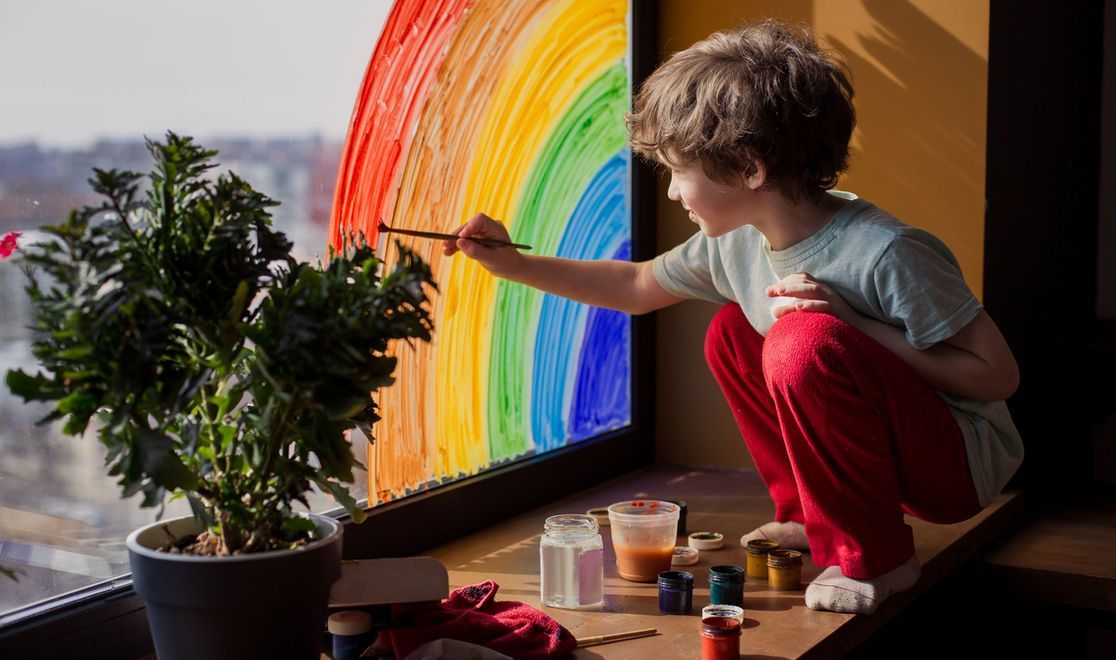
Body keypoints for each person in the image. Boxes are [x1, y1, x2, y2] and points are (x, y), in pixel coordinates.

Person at [442, 19, 1023, 615]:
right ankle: (808, 516)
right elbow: (639, 284)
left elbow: (996, 376)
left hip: (955, 466)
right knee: (733, 332)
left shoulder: (887, 252)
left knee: (802, 342)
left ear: (749, 169)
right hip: (880, 450)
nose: (671, 192)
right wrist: (513, 265)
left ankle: (876, 557)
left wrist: (857, 327)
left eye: (678, 171)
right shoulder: (735, 242)